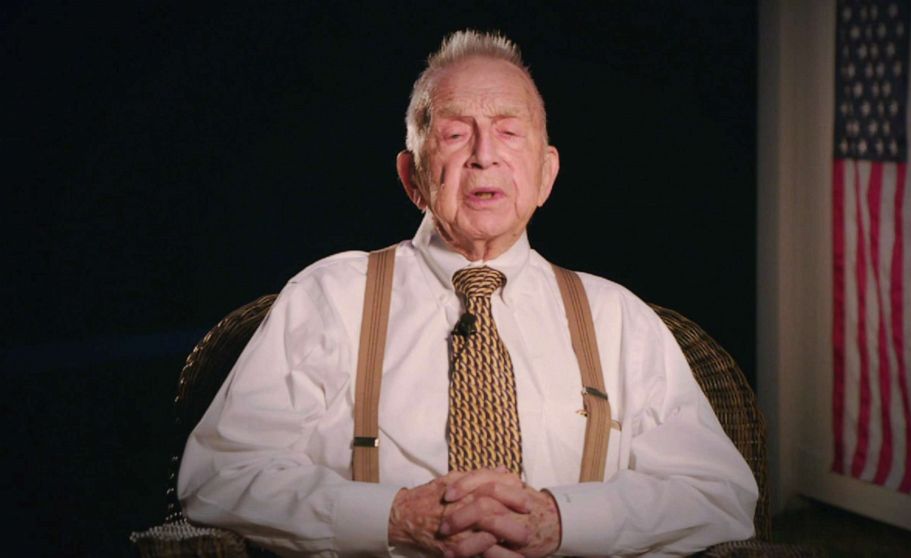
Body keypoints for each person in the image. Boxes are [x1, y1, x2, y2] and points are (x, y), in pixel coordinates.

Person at [178, 30, 758, 557]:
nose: (484, 154)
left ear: (546, 174)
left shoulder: (617, 317)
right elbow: (219, 474)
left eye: (509, 131)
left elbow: (718, 493)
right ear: (412, 178)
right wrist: (394, 518)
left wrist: (562, 521)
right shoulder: (328, 298)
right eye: (455, 133)